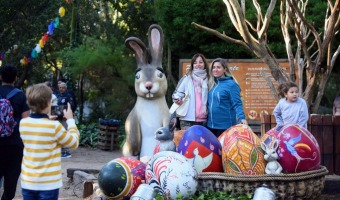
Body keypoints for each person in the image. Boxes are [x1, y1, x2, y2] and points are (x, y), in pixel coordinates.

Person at [19, 83, 79, 200]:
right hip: (48, 184)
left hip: (28, 182)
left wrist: (46, 119)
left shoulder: (23, 124)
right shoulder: (54, 127)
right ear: (48, 103)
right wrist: (71, 120)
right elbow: (74, 143)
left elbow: (38, 132)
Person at [0, 64, 30, 200]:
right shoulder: (20, 96)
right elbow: (26, 120)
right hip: (15, 144)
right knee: (11, 179)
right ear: (15, 78)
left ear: (1, 77)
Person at [206, 58, 247, 137]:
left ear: (224, 69)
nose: (215, 69)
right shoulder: (212, 84)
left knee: (223, 149)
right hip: (210, 126)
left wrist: (241, 118)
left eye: (218, 67)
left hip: (225, 127)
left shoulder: (231, 85)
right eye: (214, 67)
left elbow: (237, 104)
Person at [172, 53, 209, 130]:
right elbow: (176, 94)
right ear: (192, 65)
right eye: (195, 63)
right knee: (187, 142)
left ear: (204, 64)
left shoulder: (209, 79)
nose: (198, 64)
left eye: (200, 62)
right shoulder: (186, 78)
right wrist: (177, 99)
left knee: (201, 142)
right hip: (187, 119)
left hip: (204, 120)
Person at [56, 82, 76, 158]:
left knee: (65, 133)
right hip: (57, 117)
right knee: (58, 133)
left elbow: (72, 106)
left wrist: (68, 114)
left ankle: (66, 151)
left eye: (63, 88)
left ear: (65, 88)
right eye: (60, 87)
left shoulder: (68, 96)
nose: (61, 89)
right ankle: (59, 150)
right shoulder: (57, 95)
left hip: (65, 118)